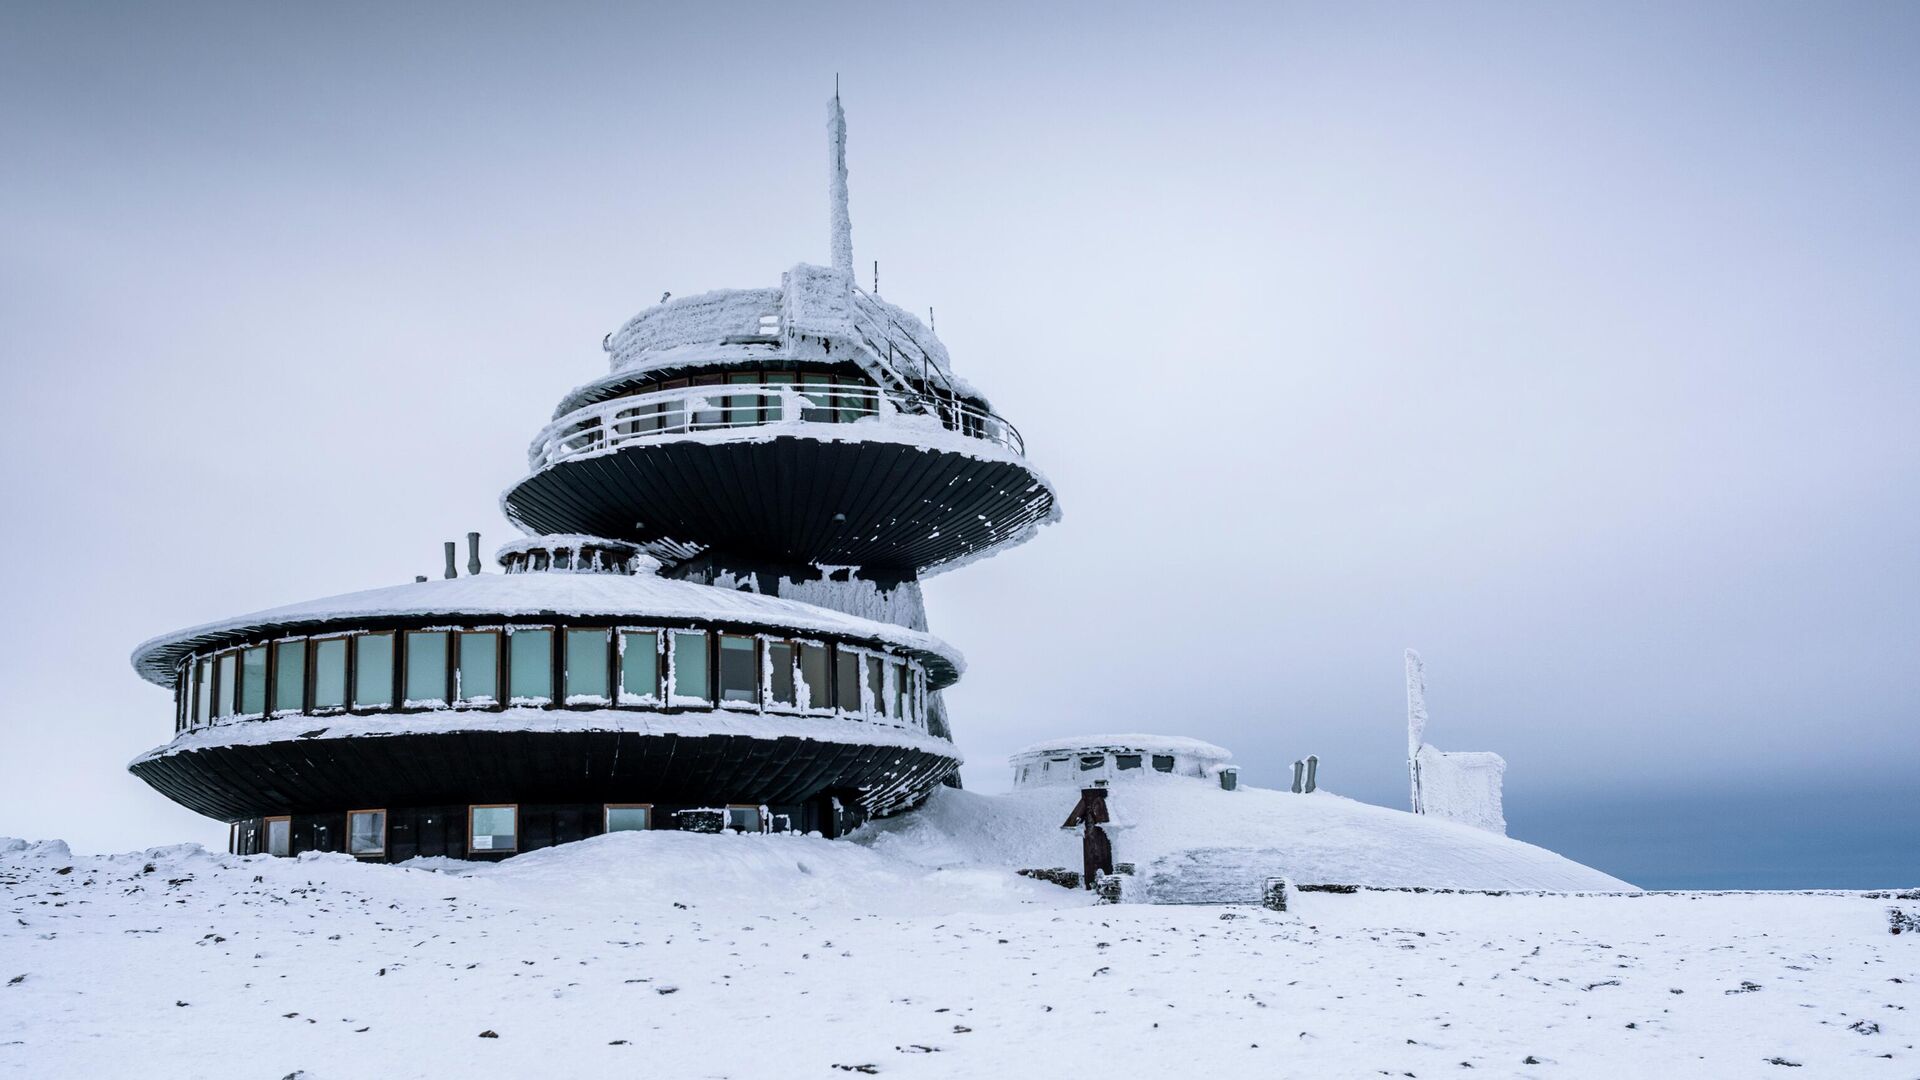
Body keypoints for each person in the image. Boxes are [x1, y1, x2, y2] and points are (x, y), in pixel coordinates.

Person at [1061, 783, 1113, 888]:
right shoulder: (1092, 803)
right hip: (1092, 844)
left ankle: (1097, 882)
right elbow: (1072, 821)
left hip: (1099, 843)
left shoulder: (1099, 804)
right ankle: (1092, 883)